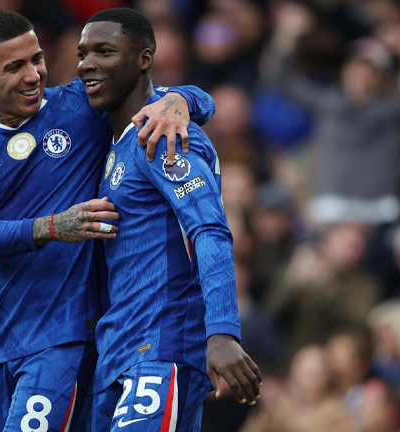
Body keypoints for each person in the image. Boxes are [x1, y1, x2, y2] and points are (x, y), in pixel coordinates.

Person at [0, 10, 216, 431]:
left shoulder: (79, 106)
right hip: (1, 338)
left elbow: (167, 95)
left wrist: (181, 101)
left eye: (37, 59)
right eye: (14, 67)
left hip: (67, 335)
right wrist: (51, 227)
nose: (33, 75)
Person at [77, 8, 261, 429]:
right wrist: (185, 97)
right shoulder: (118, 139)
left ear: (145, 58)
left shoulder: (162, 135)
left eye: (105, 51)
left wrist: (222, 332)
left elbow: (210, 229)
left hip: (162, 344)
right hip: (118, 352)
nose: (88, 63)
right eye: (83, 53)